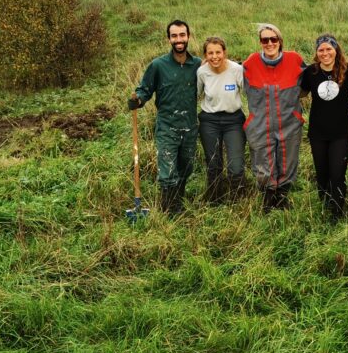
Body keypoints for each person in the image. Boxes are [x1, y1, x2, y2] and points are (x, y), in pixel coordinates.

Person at [128, 19, 200, 216]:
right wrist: (138, 100)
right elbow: (145, 90)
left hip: (190, 126)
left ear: (188, 36)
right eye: (174, 36)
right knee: (167, 171)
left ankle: (178, 200)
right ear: (169, 39)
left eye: (182, 35)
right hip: (167, 127)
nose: (179, 39)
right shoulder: (158, 65)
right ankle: (170, 210)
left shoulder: (197, 65)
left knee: (186, 167)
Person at [242, 23, 306, 211]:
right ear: (260, 42)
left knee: (288, 160)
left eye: (273, 39)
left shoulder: (295, 60)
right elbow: (227, 71)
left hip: (289, 123)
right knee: (263, 162)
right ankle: (268, 197)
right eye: (265, 40)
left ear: (280, 41)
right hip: (260, 124)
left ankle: (282, 197)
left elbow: (315, 77)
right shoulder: (250, 63)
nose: (269, 43)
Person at [300, 35, 348, 221]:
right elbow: (301, 93)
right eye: (321, 50)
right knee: (322, 173)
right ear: (317, 52)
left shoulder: (347, 70)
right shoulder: (311, 72)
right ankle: (324, 205)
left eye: (329, 49)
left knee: (337, 173)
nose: (325, 53)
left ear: (336, 50)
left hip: (341, 132)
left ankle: (337, 212)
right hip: (317, 132)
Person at [196, 36, 246, 203]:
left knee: (236, 165)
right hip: (209, 120)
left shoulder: (236, 70)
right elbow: (196, 94)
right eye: (210, 53)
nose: (215, 56)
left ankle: (237, 200)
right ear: (205, 55)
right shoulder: (202, 72)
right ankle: (215, 198)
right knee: (213, 163)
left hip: (234, 120)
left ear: (225, 52)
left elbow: (249, 92)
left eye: (218, 52)